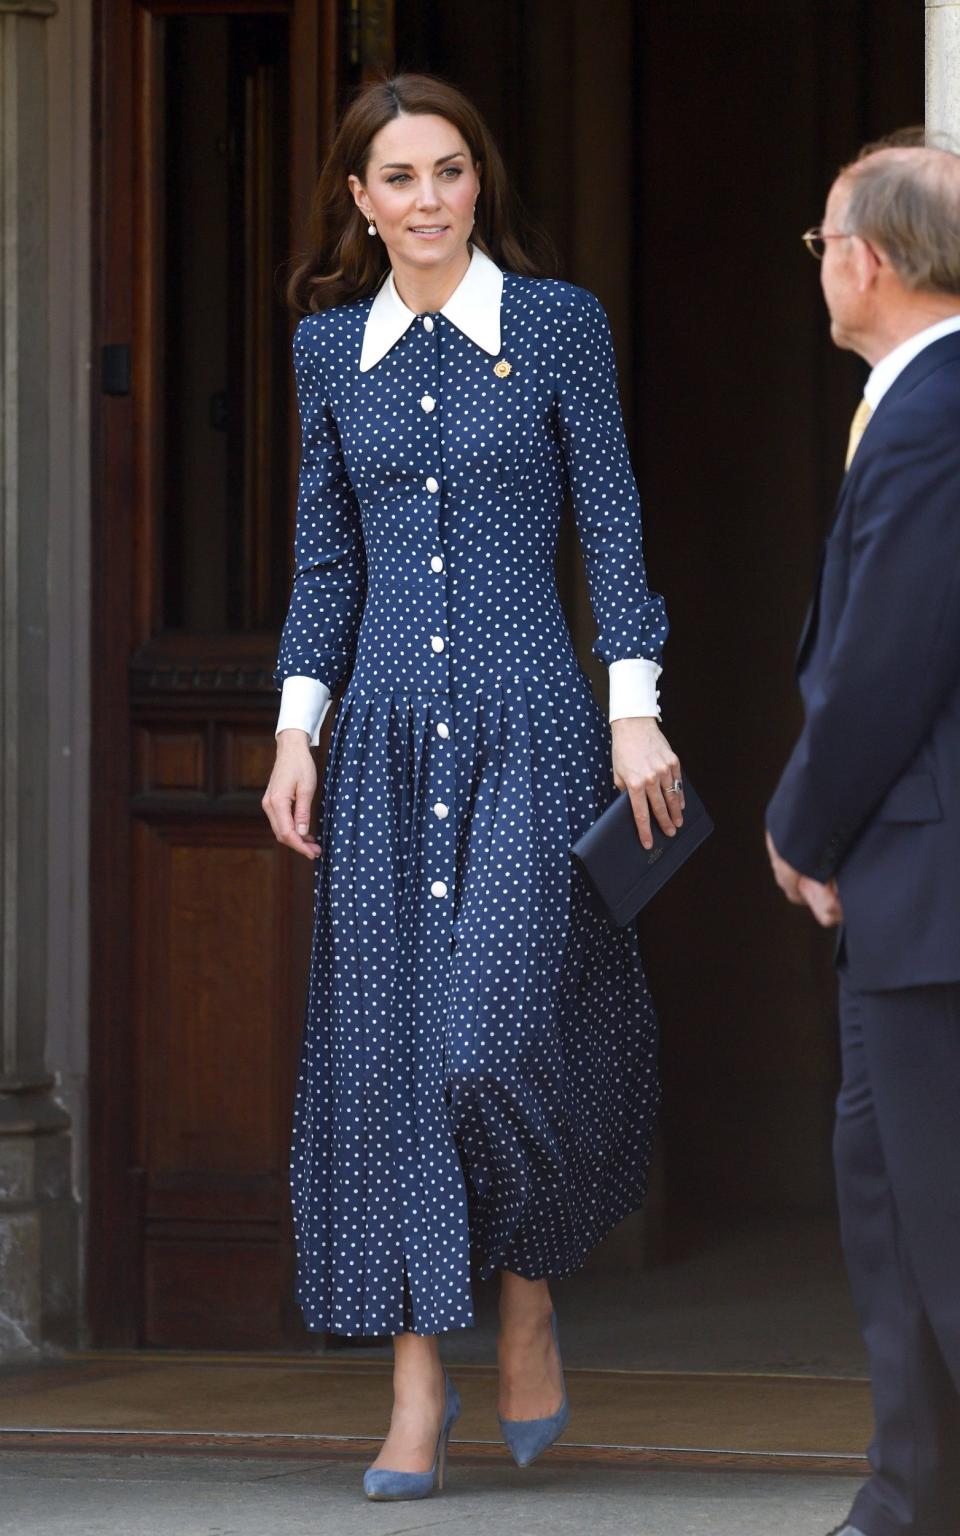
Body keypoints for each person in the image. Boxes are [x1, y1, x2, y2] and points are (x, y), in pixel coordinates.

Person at [261, 74, 681, 1502]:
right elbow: (327, 562)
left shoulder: (558, 327)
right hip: (377, 739)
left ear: (475, 184)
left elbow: (613, 528)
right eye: (400, 179)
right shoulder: (330, 352)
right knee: (389, 1065)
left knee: (488, 1048)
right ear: (361, 203)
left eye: (449, 172)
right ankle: (415, 1382)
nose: (430, 199)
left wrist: (637, 714)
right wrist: (291, 731)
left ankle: (527, 1292)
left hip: (531, 730)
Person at [767, 144, 960, 1536]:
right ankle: (907, 1497)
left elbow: (888, 659)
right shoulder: (914, 400)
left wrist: (799, 824)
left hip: (929, 881)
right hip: (909, 890)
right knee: (892, 1205)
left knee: (939, 1225)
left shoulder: (937, 409)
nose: (821, 259)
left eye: (823, 238)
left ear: (868, 260)